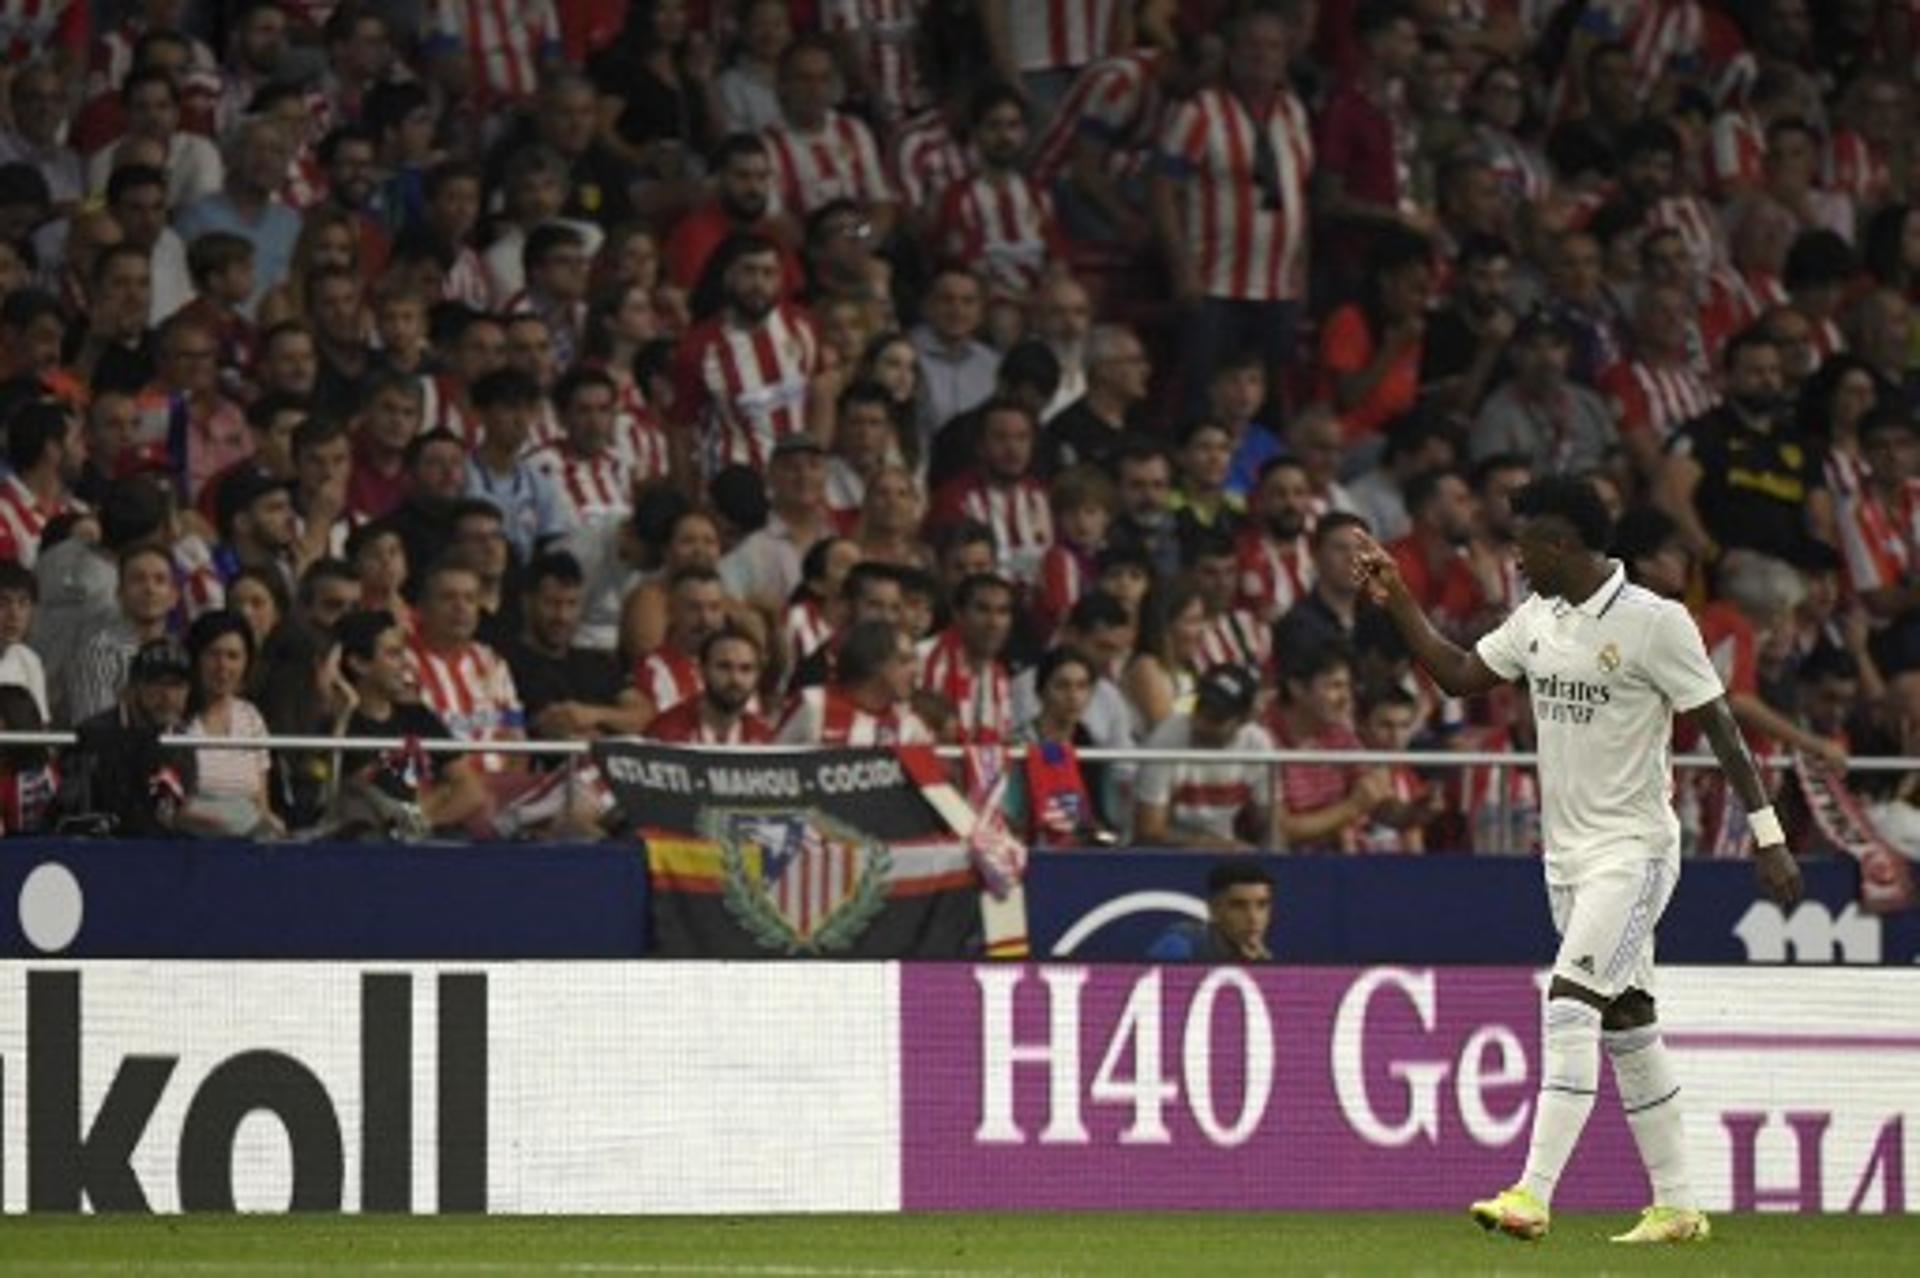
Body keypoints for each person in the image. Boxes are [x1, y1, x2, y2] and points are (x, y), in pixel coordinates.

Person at [1354, 474, 1802, 1244]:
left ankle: (1532, 1193)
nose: (1516, 556)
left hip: (1634, 853)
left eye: (1525, 542)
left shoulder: (1656, 623)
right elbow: (1460, 677)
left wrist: (1768, 834)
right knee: (1628, 1022)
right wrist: (1398, 601)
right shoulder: (1540, 618)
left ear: (1562, 544)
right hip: (1565, 858)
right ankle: (1678, 1206)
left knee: (1568, 1003)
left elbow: (1722, 726)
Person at [330, 607, 493, 837]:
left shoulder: (416, 714)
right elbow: (382, 802)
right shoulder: (341, 724)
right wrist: (440, 794)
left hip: (420, 844)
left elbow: (471, 791)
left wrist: (420, 823)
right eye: (393, 654)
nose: (405, 664)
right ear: (359, 663)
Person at [55, 638, 198, 838]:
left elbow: (178, 810)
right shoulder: (94, 735)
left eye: (177, 685)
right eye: (156, 682)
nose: (168, 695)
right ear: (133, 686)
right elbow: (75, 813)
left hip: (163, 852)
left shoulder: (182, 741)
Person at [1132, 663, 1276, 851]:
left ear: (1243, 719)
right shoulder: (1165, 739)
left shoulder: (1258, 744)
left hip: (1226, 852)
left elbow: (1267, 822)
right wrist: (1216, 847)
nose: (1200, 723)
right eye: (1199, 708)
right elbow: (1149, 831)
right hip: (1167, 857)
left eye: (1215, 719)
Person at [179, 609, 282, 839]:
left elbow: (261, 804)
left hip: (246, 843)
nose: (222, 666)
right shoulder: (178, 721)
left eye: (233, 656)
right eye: (213, 654)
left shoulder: (251, 717)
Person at [776, 618, 930, 744]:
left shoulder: (910, 725)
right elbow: (770, 766)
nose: (916, 671)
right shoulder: (813, 704)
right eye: (904, 661)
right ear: (873, 663)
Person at [645, 627, 773, 744]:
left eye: (746, 669)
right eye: (724, 667)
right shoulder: (666, 733)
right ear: (701, 670)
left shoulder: (763, 737)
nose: (735, 679)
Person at [1145, 860, 1275, 962]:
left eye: (1262, 905)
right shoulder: (1178, 947)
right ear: (1214, 910)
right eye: (1238, 906)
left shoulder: (1263, 959)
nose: (1253, 918)